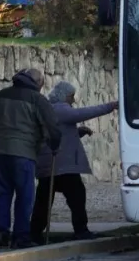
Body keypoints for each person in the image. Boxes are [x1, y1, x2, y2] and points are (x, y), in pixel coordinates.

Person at [0, 68, 61, 249]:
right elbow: (52, 125)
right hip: (23, 153)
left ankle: (1, 233)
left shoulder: (0, 95)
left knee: (2, 193)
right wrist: (55, 145)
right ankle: (21, 237)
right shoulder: (38, 100)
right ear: (37, 83)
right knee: (25, 196)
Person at [30, 81, 118, 244]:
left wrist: (78, 132)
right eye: (72, 96)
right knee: (77, 195)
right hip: (61, 164)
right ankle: (81, 230)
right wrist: (111, 106)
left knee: (44, 199)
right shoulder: (60, 109)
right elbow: (85, 113)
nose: (74, 100)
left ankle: (35, 232)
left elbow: (58, 132)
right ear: (64, 96)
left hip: (49, 162)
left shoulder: (48, 109)